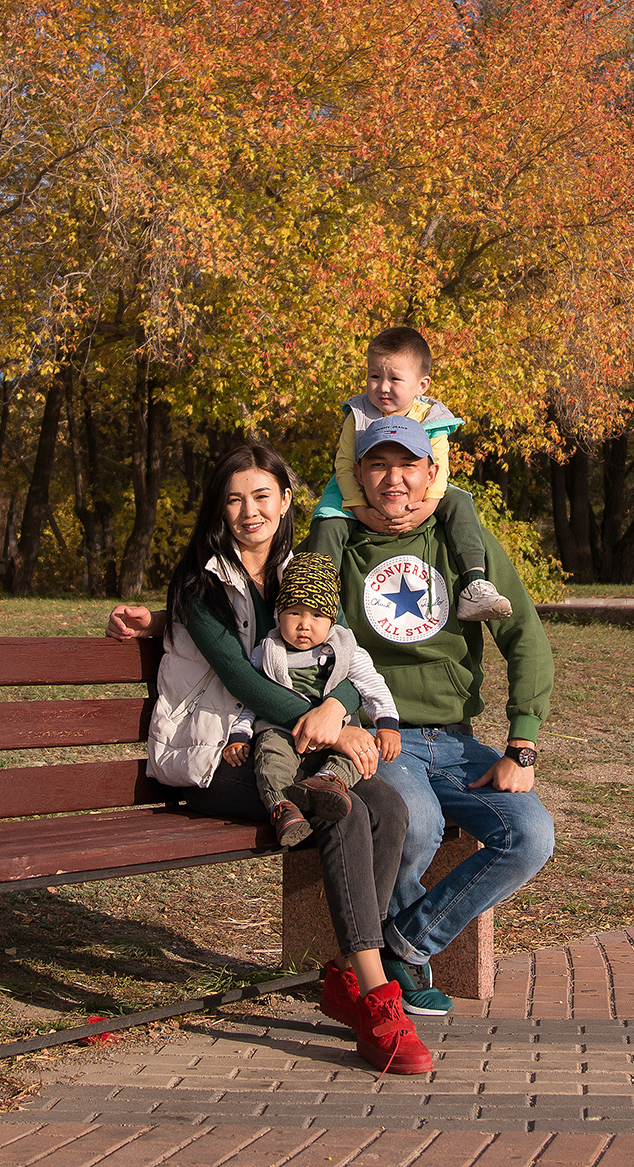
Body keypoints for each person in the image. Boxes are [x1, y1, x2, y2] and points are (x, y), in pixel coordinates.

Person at [106, 442, 431, 1075]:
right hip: (218, 758)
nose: (249, 511)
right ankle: (376, 997)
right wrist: (334, 731)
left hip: (292, 750)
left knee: (387, 806)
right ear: (219, 509)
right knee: (338, 809)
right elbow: (243, 680)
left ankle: (342, 975)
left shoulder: (296, 571)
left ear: (286, 501)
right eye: (234, 499)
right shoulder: (201, 582)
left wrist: (337, 706)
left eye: (262, 496)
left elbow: (340, 649)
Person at [321, 413, 556, 1018]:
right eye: (378, 464)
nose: (393, 479)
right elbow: (282, 613)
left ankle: (405, 943)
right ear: (359, 474)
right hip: (382, 735)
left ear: (432, 471)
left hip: (456, 742)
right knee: (416, 826)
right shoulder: (338, 539)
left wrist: (521, 744)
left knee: (530, 834)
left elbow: (525, 636)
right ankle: (406, 965)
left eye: (407, 464)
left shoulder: (461, 540)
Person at [306, 325, 512, 620]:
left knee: (460, 503)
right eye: (374, 376)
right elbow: (343, 464)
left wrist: (427, 506)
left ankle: (473, 583)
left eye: (394, 379)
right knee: (328, 519)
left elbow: (439, 468)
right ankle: (318, 597)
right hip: (356, 482)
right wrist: (359, 508)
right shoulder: (358, 413)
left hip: (422, 489)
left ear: (422, 385)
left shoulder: (433, 417)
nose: (383, 387)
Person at [222, 551, 401, 848]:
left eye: (316, 615)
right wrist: (239, 734)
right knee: (269, 757)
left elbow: (372, 686)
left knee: (358, 751)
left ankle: (330, 781)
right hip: (281, 731)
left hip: (335, 732)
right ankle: (283, 809)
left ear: (331, 619)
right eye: (294, 613)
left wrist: (387, 724)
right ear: (279, 613)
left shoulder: (346, 649)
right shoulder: (267, 651)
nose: (304, 624)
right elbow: (250, 698)